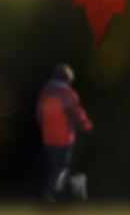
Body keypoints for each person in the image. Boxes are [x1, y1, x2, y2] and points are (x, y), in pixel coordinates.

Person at [36, 63, 93, 202]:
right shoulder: (66, 94)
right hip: (64, 138)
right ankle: (49, 194)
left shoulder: (45, 93)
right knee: (60, 168)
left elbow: (39, 115)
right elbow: (77, 112)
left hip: (49, 138)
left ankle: (65, 195)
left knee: (59, 168)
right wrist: (87, 126)